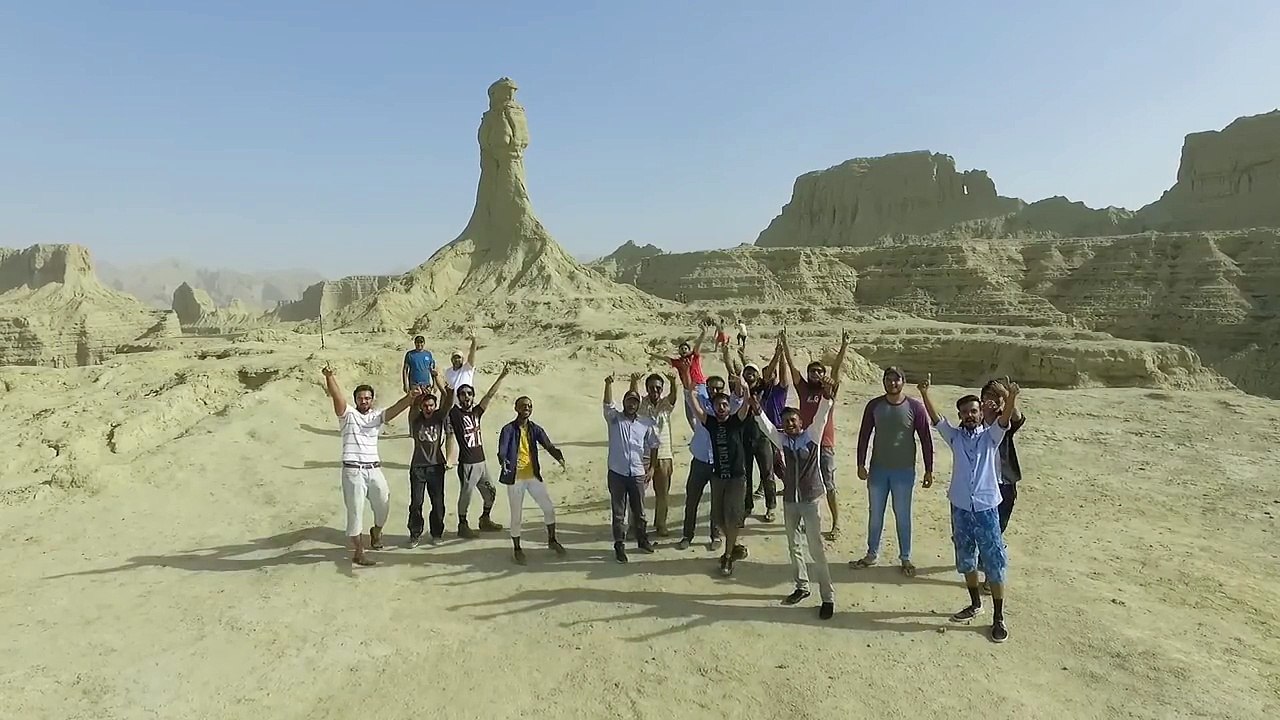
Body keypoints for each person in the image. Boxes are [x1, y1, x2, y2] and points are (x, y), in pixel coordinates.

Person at [919, 373, 1019, 643]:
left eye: (974, 411)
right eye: (965, 412)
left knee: (995, 563)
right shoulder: (955, 438)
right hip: (961, 507)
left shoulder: (991, 437)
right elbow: (937, 419)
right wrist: (925, 392)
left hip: (987, 507)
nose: (970, 415)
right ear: (961, 415)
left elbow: (1006, 419)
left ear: (980, 412)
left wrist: (1010, 397)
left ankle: (998, 617)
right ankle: (975, 604)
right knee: (966, 559)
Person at [752, 377, 836, 619]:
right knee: (794, 546)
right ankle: (802, 586)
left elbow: (821, 415)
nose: (789, 424)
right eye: (786, 421)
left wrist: (827, 397)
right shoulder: (783, 441)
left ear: (801, 422)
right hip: (790, 500)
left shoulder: (812, 436)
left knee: (816, 549)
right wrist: (757, 411)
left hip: (810, 500)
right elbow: (767, 428)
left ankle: (827, 597)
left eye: (793, 420)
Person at [321, 364, 416, 566]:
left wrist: (410, 398)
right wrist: (330, 377)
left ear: (372, 400)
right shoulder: (347, 416)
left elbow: (394, 410)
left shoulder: (376, 416)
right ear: (355, 400)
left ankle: (377, 531)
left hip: (374, 469)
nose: (363, 401)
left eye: (367, 398)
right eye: (360, 398)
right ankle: (358, 552)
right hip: (353, 470)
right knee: (355, 511)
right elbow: (337, 399)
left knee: (383, 504)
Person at [850, 366, 936, 576]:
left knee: (903, 515)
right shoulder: (874, 406)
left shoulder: (915, 407)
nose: (892, 383)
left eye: (896, 379)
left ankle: (905, 557)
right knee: (875, 514)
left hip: (904, 471)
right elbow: (864, 435)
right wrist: (860, 463)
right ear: (884, 381)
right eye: (888, 379)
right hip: (878, 469)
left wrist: (929, 469)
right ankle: (871, 554)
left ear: (903, 382)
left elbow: (926, 438)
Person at [681, 363, 753, 577]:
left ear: (728, 407)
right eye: (718, 405)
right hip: (718, 475)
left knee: (731, 518)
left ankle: (728, 556)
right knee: (718, 518)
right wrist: (692, 385)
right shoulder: (710, 422)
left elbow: (746, 402)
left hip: (736, 477)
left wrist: (743, 383)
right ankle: (734, 546)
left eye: (725, 404)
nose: (722, 407)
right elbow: (694, 405)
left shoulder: (735, 421)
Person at [780, 328, 851, 540]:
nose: (816, 375)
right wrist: (784, 344)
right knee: (803, 481)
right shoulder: (803, 389)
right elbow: (792, 368)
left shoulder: (828, 391)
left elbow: (836, 370)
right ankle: (803, 520)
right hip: (805, 443)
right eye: (813, 372)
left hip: (825, 443)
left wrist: (844, 346)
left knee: (828, 483)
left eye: (820, 372)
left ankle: (836, 524)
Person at [496, 395, 568, 565]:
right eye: (523, 405)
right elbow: (502, 450)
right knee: (516, 516)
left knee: (548, 508)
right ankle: (517, 548)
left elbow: (548, 445)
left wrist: (559, 457)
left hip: (533, 476)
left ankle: (552, 540)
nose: (526, 408)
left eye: (529, 405)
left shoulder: (534, 429)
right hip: (515, 478)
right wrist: (503, 461)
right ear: (516, 408)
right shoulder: (508, 429)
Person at [675, 373, 742, 552]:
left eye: (719, 388)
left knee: (716, 502)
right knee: (692, 499)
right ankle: (687, 535)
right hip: (700, 460)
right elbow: (691, 394)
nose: (714, 391)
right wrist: (688, 371)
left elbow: (741, 397)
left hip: (719, 463)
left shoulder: (728, 407)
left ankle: (716, 535)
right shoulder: (703, 406)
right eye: (711, 387)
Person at [447, 363, 511, 538]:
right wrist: (441, 382)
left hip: (481, 462)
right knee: (466, 495)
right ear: (458, 398)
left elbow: (490, 395)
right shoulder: (455, 414)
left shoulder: (476, 412)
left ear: (473, 396)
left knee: (491, 492)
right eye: (462, 394)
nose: (466, 396)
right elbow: (446, 397)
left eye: (469, 393)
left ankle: (485, 519)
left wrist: (501, 376)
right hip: (467, 463)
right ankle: (462, 524)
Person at [604, 375, 661, 563]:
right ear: (624, 402)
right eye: (629, 401)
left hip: (637, 472)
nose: (632, 404)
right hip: (617, 473)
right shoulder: (614, 419)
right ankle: (619, 545)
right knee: (618, 512)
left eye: (635, 401)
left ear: (638, 404)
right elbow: (607, 405)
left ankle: (642, 539)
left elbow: (654, 444)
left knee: (639, 510)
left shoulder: (645, 423)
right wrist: (608, 384)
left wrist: (652, 467)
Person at [979, 377, 1027, 593]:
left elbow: (1017, 417)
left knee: (997, 531)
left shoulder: (1004, 422)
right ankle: (986, 562)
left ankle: (991, 573)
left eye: (995, 399)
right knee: (983, 531)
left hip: (1005, 484)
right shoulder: (973, 422)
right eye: (987, 397)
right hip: (981, 485)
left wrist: (1008, 397)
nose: (991, 402)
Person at [736, 341, 787, 523]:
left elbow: (769, 372)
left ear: (758, 375)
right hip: (745, 438)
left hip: (763, 438)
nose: (749, 374)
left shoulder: (763, 389)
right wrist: (740, 357)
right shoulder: (743, 391)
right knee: (746, 475)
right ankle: (747, 506)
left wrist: (777, 354)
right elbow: (737, 369)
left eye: (753, 372)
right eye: (747, 372)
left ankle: (770, 507)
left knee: (767, 473)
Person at [405, 368, 454, 548]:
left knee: (438, 502)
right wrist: (418, 397)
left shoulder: (439, 418)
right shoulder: (416, 420)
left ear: (435, 407)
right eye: (425, 406)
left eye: (431, 405)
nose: (428, 408)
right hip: (418, 466)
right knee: (416, 502)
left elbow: (448, 404)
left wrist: (448, 391)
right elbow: (412, 411)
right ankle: (415, 534)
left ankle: (436, 533)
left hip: (436, 466)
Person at [631, 371, 679, 536]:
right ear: (647, 388)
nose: (655, 391)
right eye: (651, 388)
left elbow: (674, 396)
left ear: (662, 389)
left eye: (658, 388)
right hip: (643, 454)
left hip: (664, 454)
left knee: (662, 493)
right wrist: (633, 381)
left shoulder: (666, 404)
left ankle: (661, 524)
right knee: (638, 493)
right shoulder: (641, 404)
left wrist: (673, 382)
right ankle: (635, 526)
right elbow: (632, 397)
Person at [649, 324, 708, 391]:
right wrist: (651, 353)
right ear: (679, 352)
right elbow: (663, 358)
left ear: (689, 350)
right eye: (681, 349)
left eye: (685, 348)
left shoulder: (694, 356)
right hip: (687, 388)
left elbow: (698, 343)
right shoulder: (677, 362)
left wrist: (704, 332)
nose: (683, 350)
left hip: (699, 385)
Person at [443, 333, 478, 405]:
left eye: (459, 358)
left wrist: (474, 340)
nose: (456, 360)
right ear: (451, 360)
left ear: (462, 359)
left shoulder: (467, 368)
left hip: (467, 403)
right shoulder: (448, 372)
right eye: (454, 358)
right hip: (453, 405)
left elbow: (472, 353)